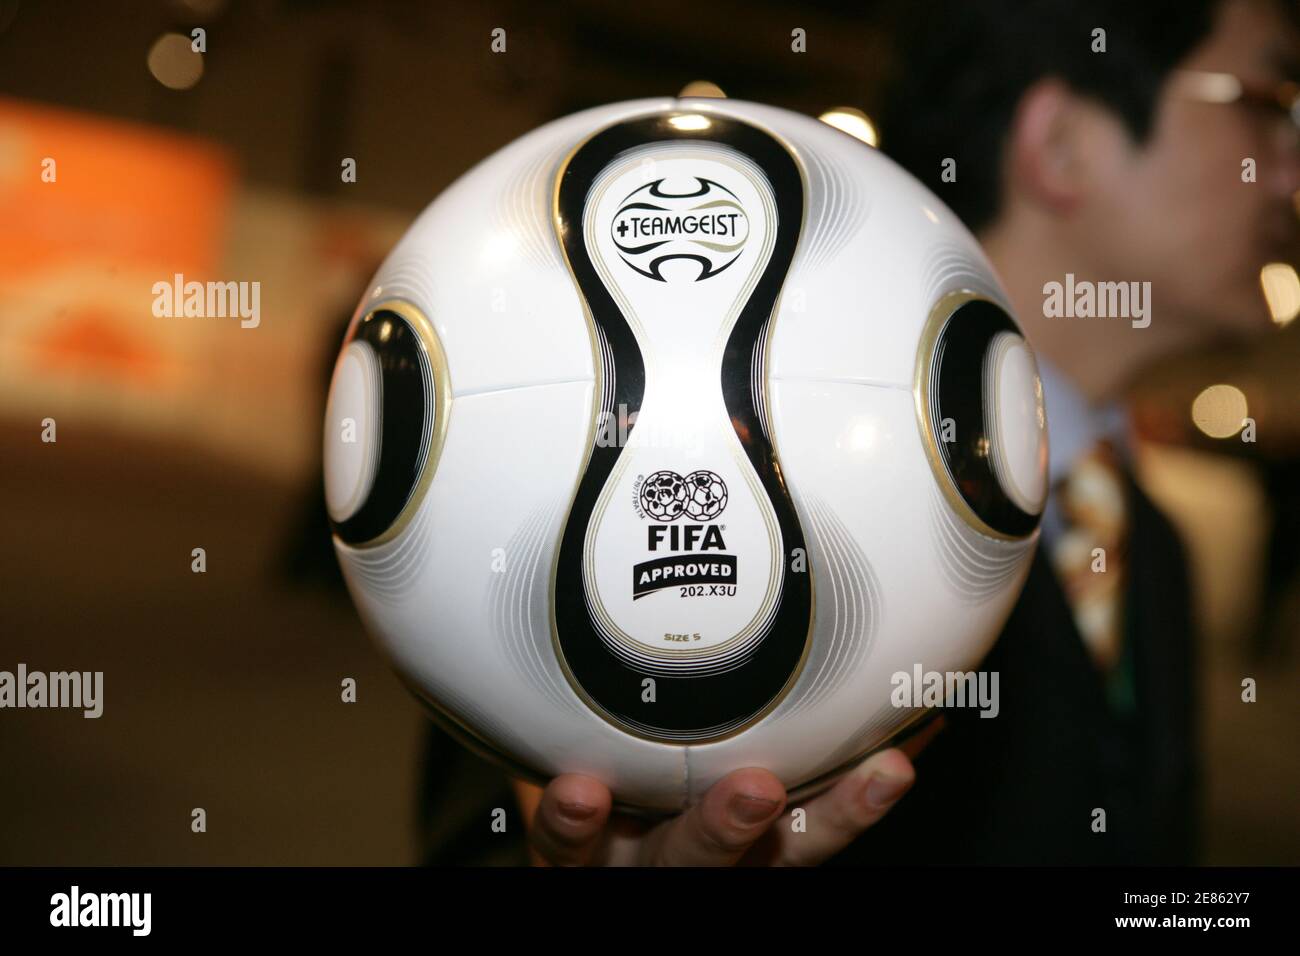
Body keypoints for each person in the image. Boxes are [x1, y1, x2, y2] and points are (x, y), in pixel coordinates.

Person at [425, 0, 1300, 865]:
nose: (1292, 168)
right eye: (1267, 102)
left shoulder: (1153, 546)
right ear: (1062, 143)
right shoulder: (627, 448)